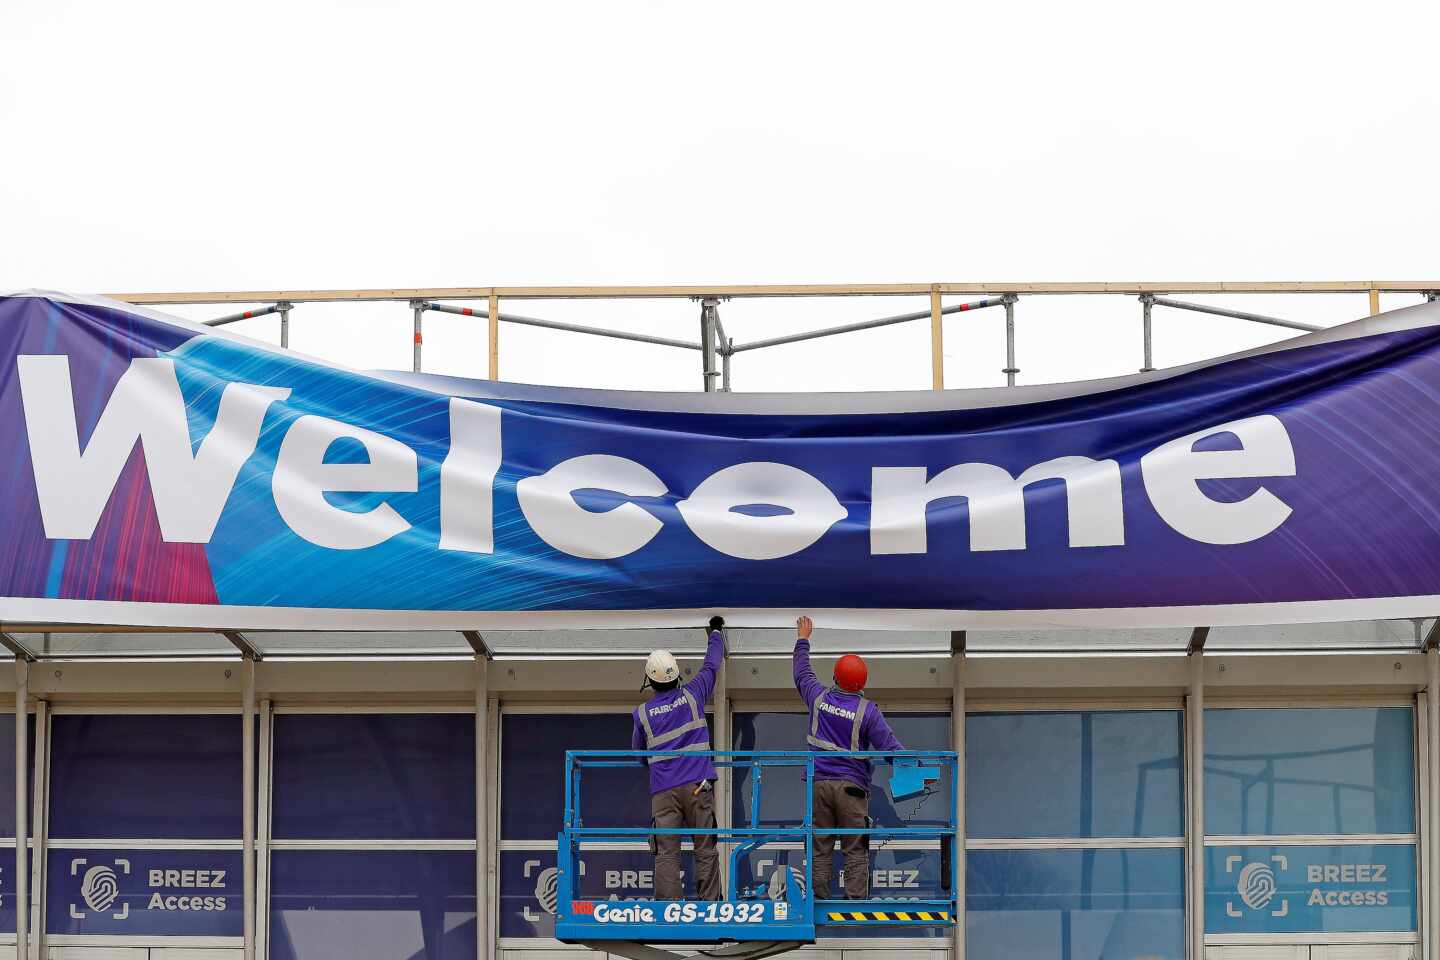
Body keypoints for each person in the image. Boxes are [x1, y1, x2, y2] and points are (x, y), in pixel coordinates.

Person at [792, 614, 904, 901]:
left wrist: (803, 639)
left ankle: (818, 898)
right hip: (851, 789)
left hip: (818, 785)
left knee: (820, 845)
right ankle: (856, 900)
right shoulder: (868, 711)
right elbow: (890, 747)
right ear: (861, 683)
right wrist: (918, 767)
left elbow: (802, 673)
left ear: (835, 678)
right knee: (855, 846)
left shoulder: (817, 698)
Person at [632, 616, 725, 901]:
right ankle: (710, 904)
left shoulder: (642, 713)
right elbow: (711, 666)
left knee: (667, 851)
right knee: (705, 846)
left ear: (649, 680)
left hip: (664, 790)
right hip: (698, 786)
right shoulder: (694, 695)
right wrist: (716, 633)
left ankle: (669, 907)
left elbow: (639, 755)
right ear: (676, 676)